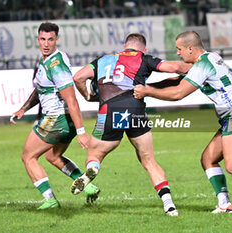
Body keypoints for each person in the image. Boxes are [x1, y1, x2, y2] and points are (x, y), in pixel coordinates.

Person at [133, 30, 232, 213]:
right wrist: (147, 86)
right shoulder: (209, 58)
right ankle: (224, 203)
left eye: (179, 49)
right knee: (208, 159)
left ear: (190, 48)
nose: (178, 53)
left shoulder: (203, 65)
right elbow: (176, 80)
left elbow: (178, 93)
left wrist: (147, 92)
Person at [70, 33, 191, 216]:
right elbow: (175, 67)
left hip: (108, 111)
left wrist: (89, 96)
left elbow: (78, 77)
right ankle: (169, 205)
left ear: (124, 45)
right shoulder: (144, 58)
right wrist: (198, 65)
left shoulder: (103, 60)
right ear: (144, 49)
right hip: (135, 109)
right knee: (149, 161)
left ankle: (93, 168)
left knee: (95, 153)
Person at [10, 22, 100, 210]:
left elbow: (72, 99)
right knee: (53, 155)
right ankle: (87, 186)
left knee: (28, 156)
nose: (46, 43)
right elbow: (40, 90)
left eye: (50, 39)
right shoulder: (47, 60)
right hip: (65, 120)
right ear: (38, 39)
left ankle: (50, 199)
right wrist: (23, 109)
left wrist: (82, 132)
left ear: (56, 40)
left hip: (56, 118)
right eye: (43, 39)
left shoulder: (55, 63)